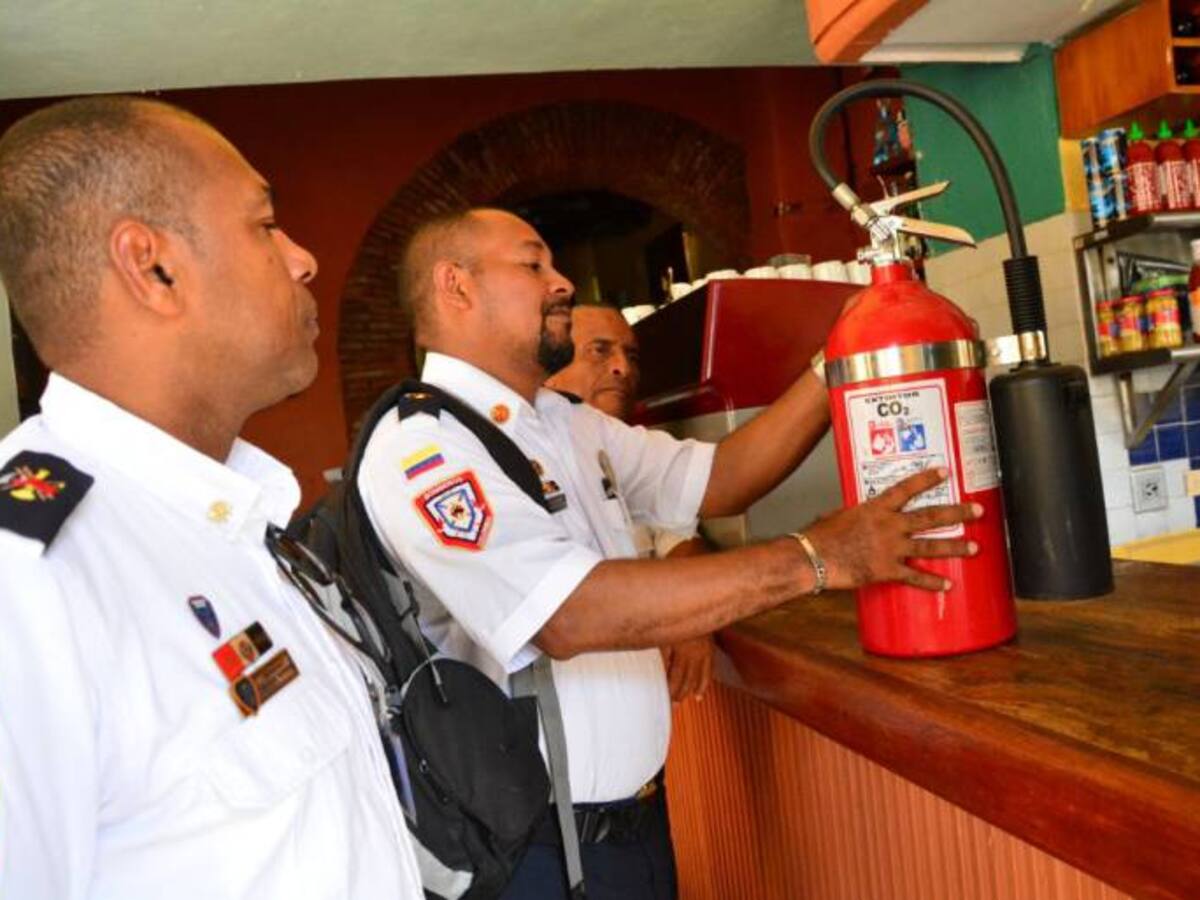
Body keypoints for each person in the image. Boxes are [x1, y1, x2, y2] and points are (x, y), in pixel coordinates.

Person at [357, 207, 980, 900]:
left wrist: (837, 356)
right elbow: (568, 615)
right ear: (456, 286)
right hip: (538, 855)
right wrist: (816, 557)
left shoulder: (561, 422)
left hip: (636, 829)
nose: (562, 281)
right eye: (533, 264)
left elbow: (719, 479)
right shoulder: (425, 444)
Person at [0, 97, 424, 899]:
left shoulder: (228, 518)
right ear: (152, 267)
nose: (303, 259)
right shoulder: (28, 580)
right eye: (265, 225)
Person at [545, 302, 713, 702]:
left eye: (631, 355)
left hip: (643, 717)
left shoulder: (628, 449)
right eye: (600, 350)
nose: (623, 368)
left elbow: (680, 539)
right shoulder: (523, 458)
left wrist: (689, 616)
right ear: (549, 372)